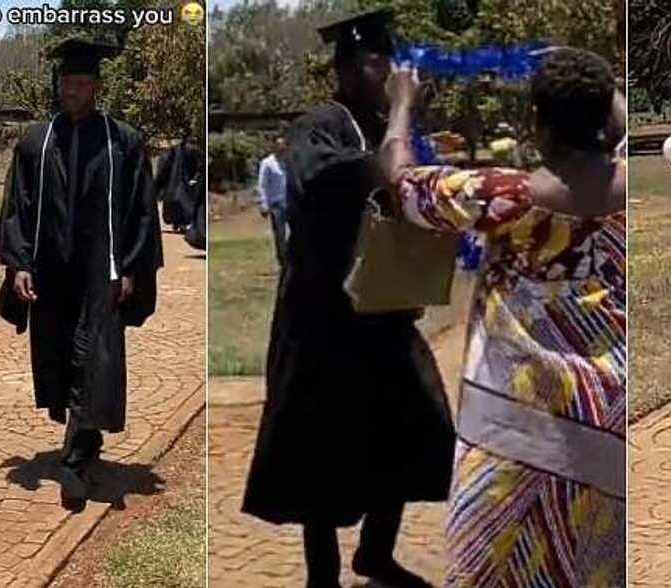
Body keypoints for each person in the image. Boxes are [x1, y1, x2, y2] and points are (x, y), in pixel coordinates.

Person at [380, 48, 627, 586]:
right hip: (606, 421)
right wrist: (599, 87)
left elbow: (401, 183)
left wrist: (401, 105)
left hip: (514, 431)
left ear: (536, 123)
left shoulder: (505, 197)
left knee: (491, 568)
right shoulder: (632, 190)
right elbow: (621, 127)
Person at [241, 11, 455, 588]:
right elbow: (384, 168)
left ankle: (376, 554)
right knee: (321, 448)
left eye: (391, 63)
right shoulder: (319, 127)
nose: (391, 74)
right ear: (352, 68)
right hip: (322, 321)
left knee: (416, 424)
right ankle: (323, 576)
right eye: (380, 64)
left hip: (382, 315)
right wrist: (406, 109)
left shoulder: (378, 122)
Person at [0, 38, 163, 506]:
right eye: (67, 82)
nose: (73, 90)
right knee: (62, 356)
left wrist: (131, 267)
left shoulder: (122, 141)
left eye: (82, 82)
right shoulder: (35, 141)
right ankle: (82, 442)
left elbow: (140, 210)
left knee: (94, 358)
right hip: (50, 272)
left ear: (97, 87)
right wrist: (18, 264)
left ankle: (74, 459)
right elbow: (18, 208)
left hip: (99, 272)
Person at [156, 136, 203, 233]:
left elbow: (162, 173)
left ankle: (179, 223)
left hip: (177, 186)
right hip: (180, 185)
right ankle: (181, 223)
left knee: (179, 203)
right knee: (181, 203)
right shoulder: (188, 150)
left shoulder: (173, 153)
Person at [257, 136, 289, 266]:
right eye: (279, 146)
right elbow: (262, 185)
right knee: (280, 234)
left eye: (284, 146)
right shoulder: (267, 163)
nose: (282, 148)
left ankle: (292, 258)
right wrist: (264, 204)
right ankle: (282, 260)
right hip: (276, 205)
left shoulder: (288, 162)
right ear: (274, 147)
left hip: (291, 202)